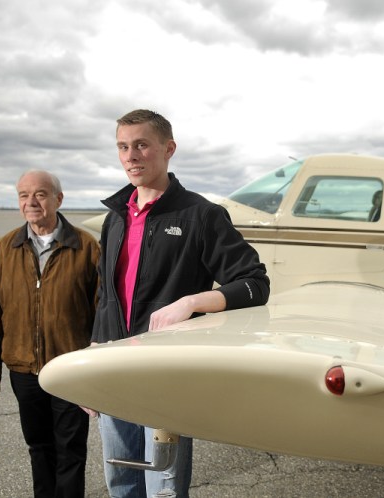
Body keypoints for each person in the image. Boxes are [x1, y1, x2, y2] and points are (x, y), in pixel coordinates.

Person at [91, 109, 270, 498]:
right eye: (123, 147)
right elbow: (107, 294)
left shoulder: (201, 215)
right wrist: (93, 351)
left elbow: (255, 284)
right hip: (114, 367)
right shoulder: (115, 218)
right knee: (120, 485)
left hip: (164, 375)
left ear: (168, 149)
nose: (131, 155)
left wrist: (191, 302)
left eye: (141, 145)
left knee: (163, 490)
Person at [0, 170, 100, 498]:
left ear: (59, 199)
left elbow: (102, 315)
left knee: (71, 451)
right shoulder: (3, 249)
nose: (31, 202)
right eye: (23, 195)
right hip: (23, 370)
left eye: (41, 194)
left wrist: (97, 373)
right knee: (39, 447)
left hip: (70, 371)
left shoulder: (87, 248)